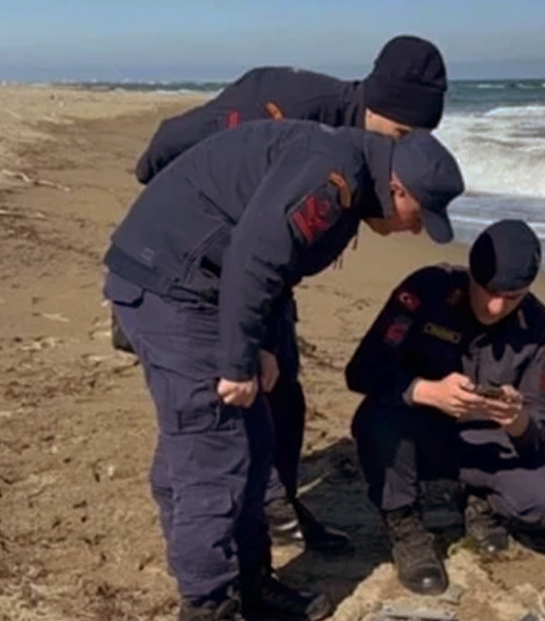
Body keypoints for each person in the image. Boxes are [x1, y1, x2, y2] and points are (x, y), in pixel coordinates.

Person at [103, 119, 464, 621]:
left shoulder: (345, 170)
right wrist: (237, 361)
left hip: (205, 283)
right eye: (417, 217)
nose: (410, 231)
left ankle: (250, 581)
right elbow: (254, 256)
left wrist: (265, 343)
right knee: (213, 456)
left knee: (254, 442)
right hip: (171, 284)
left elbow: (275, 269)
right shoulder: (332, 178)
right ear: (397, 190)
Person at [116, 34, 450, 553]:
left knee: (283, 386)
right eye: (402, 133)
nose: (403, 150)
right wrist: (156, 267)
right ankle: (246, 521)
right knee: (214, 400)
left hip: (260, 265)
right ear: (374, 104)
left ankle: (278, 509)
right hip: (188, 266)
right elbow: (172, 144)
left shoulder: (367, 155)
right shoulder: (283, 105)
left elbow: (275, 256)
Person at [344, 219, 545, 596]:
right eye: (487, 290)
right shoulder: (425, 290)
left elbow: (541, 426)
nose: (496, 305)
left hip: (487, 439)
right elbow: (361, 372)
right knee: (377, 421)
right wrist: (426, 391)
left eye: (513, 296)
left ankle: (481, 502)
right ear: (471, 274)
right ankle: (405, 527)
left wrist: (516, 419)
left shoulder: (540, 327)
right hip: (419, 429)